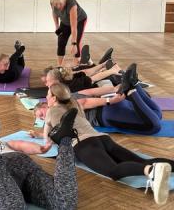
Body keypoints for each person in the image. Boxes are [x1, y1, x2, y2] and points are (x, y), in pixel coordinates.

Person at [34, 83, 173, 205]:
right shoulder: (74, 103)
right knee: (140, 160)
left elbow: (50, 139)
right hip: (102, 138)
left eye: (47, 95)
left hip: (83, 144)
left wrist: (44, 137)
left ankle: (151, 171)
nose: (46, 98)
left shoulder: (51, 111)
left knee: (113, 170)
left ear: (54, 98)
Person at [0, 115, 79, 210]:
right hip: (22, 162)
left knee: (12, 207)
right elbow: (20, 145)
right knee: (64, 203)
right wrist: (40, 148)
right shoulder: (2, 142)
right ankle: (65, 140)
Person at [51, 0, 88, 66]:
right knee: (61, 42)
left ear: (64, 1)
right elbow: (54, 13)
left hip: (79, 21)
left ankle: (76, 66)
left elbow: (74, 27)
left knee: (77, 43)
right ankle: (60, 66)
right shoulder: (53, 2)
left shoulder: (71, 4)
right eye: (56, 4)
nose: (58, 6)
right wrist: (57, 26)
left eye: (60, 4)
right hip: (65, 22)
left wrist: (73, 44)